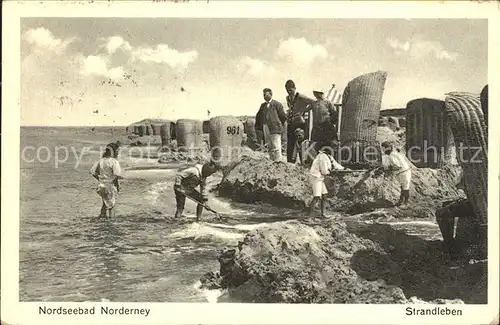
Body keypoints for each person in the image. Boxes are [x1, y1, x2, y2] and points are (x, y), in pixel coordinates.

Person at [306, 141, 345, 218]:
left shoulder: (329, 156)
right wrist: (332, 173)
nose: (335, 149)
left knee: (324, 196)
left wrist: (344, 169)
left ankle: (323, 214)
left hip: (320, 177)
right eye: (334, 147)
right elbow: (324, 171)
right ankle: (309, 216)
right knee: (317, 197)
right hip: (315, 177)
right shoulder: (322, 156)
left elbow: (336, 165)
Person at [90, 142, 124, 218]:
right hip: (109, 186)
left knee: (105, 204)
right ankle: (111, 224)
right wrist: (112, 182)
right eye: (117, 151)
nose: (118, 153)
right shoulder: (114, 162)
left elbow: (92, 172)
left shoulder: (101, 161)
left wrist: (100, 180)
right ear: (114, 152)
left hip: (101, 186)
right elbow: (116, 175)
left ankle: (101, 219)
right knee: (112, 206)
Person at [285, 79, 315, 163]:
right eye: (287, 90)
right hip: (291, 123)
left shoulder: (300, 96)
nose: (289, 92)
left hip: (300, 123)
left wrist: (304, 110)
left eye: (290, 90)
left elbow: (313, 102)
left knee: (301, 144)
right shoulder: (288, 98)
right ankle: (290, 163)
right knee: (290, 144)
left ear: (294, 88)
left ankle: (303, 162)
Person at [257, 88, 287, 161]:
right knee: (269, 146)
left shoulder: (277, 104)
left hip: (275, 128)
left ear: (271, 95)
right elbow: (259, 116)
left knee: (276, 146)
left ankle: (278, 162)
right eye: (264, 95)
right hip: (266, 128)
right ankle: (272, 162)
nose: (265, 96)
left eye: (266, 95)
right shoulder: (263, 106)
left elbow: (283, 117)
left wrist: (282, 128)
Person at [380, 141, 412, 206]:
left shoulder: (392, 156)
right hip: (403, 172)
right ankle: (401, 201)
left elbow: (397, 166)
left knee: (405, 188)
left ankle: (406, 203)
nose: (382, 151)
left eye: (383, 149)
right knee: (403, 187)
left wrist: (388, 169)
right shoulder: (394, 153)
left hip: (403, 172)